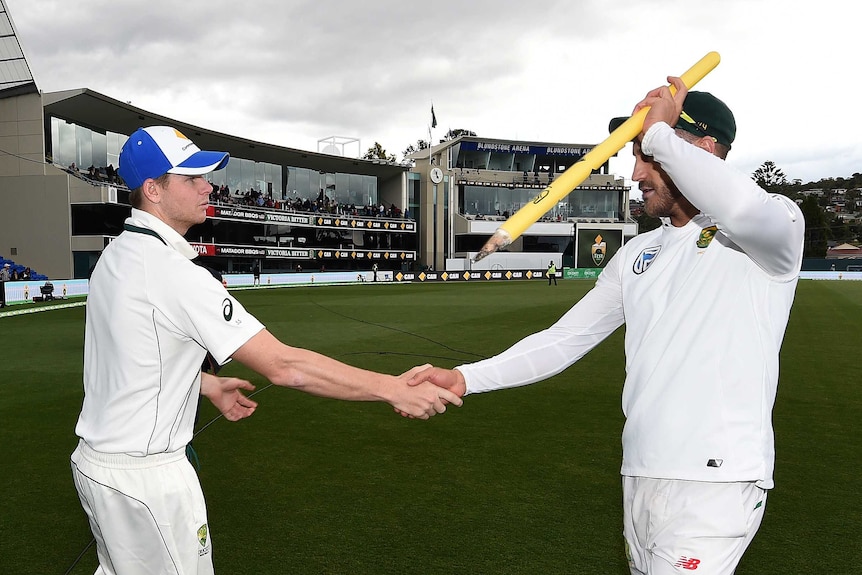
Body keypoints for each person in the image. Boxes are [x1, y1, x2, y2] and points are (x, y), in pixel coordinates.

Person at [408, 80, 805, 575]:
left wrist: (658, 131)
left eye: (649, 155)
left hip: (715, 482)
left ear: (704, 150)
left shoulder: (774, 230)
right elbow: (563, 339)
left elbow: (743, 206)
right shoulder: (637, 254)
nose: (636, 172)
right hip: (640, 473)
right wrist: (467, 377)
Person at [70, 126, 461, 575]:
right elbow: (284, 365)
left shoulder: (117, 255)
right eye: (192, 179)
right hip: (146, 479)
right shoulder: (169, 270)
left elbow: (130, 357)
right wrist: (392, 388)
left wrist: (204, 384)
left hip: (99, 468)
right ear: (153, 190)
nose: (208, 186)